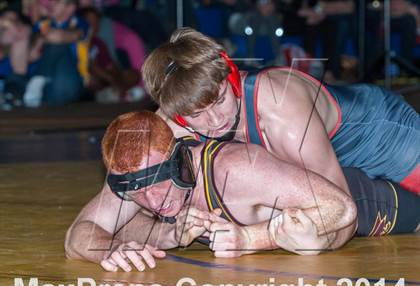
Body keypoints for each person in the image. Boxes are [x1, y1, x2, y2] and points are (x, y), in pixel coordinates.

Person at [65, 111, 420, 272]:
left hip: (371, 199)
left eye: (158, 184)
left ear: (178, 160)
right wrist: (152, 237)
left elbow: (341, 209)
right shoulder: (136, 175)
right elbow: (78, 236)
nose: (153, 201)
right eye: (138, 194)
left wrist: (250, 239)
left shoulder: (235, 169)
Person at [141, 28, 420, 195]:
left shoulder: (279, 105)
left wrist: (256, 236)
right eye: (195, 115)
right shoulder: (171, 118)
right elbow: (117, 199)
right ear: (174, 112)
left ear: (233, 76)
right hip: (333, 168)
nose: (215, 121)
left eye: (220, 100)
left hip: (382, 138)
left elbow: (336, 204)